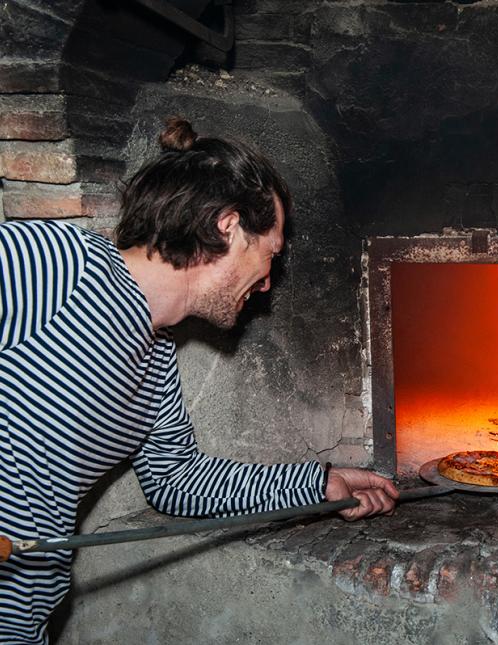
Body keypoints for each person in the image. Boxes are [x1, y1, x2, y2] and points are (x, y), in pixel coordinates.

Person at [0, 117, 398, 644]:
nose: (267, 283)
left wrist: (319, 482)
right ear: (227, 227)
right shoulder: (58, 263)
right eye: (270, 255)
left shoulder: (156, 358)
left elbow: (176, 483)